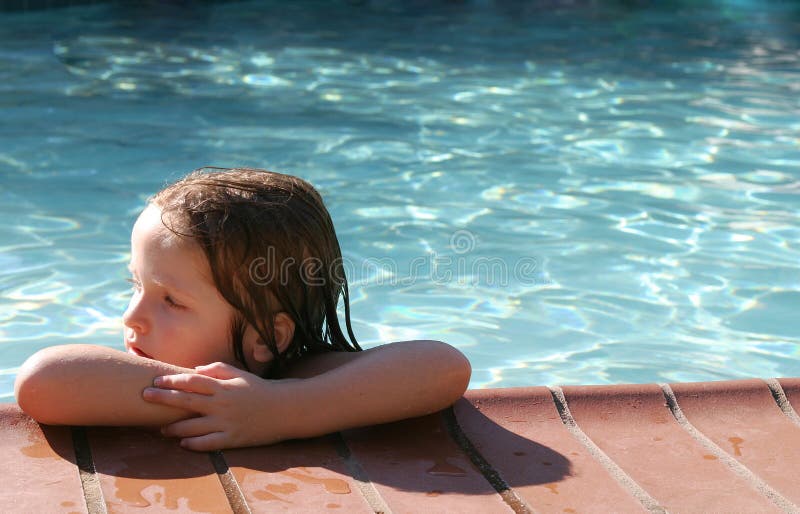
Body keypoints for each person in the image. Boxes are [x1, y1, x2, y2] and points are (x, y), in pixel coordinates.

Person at [14, 167, 471, 451]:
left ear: (267, 337)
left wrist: (280, 410)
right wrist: (211, 406)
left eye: (171, 300)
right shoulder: (135, 378)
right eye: (136, 285)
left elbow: (443, 366)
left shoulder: (301, 378)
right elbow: (43, 382)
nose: (132, 317)